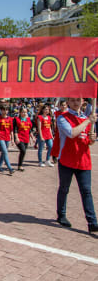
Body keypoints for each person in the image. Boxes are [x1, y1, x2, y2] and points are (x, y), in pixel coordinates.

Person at [56, 98, 98, 233]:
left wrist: (92, 139)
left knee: (86, 191)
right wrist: (88, 121)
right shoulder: (63, 118)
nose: (76, 103)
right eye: (72, 100)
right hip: (67, 160)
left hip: (83, 160)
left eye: (78, 100)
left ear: (82, 102)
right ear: (68, 102)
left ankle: (92, 222)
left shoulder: (86, 119)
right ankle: (61, 215)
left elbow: (87, 140)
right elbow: (71, 133)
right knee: (64, 188)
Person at [0, 104, 15, 175]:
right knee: (5, 151)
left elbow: (11, 130)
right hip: (0, 137)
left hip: (7, 137)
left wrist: (12, 139)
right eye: (4, 110)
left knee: (3, 152)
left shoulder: (10, 119)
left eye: (6, 110)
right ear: (1, 110)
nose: (5, 111)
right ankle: (10, 167)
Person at [13, 107, 33, 171]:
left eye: (25, 112)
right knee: (23, 150)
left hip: (26, 138)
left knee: (23, 152)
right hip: (19, 138)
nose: (24, 113)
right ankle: (20, 165)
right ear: (20, 112)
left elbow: (29, 130)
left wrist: (32, 137)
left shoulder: (28, 120)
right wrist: (16, 138)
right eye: (23, 112)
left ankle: (20, 165)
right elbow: (15, 130)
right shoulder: (17, 120)